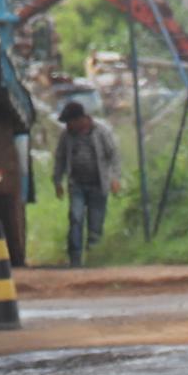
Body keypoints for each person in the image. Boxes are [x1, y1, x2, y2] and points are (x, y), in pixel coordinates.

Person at [51, 100, 120, 268]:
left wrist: (115, 178)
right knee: (75, 217)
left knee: (95, 223)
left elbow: (113, 156)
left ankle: (93, 258)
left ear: (80, 119)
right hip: (77, 185)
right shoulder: (66, 136)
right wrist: (57, 181)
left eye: (70, 122)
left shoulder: (101, 131)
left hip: (98, 184)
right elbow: (60, 158)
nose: (68, 126)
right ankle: (75, 258)